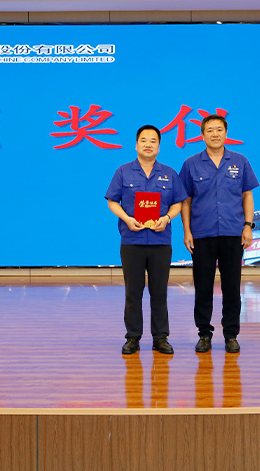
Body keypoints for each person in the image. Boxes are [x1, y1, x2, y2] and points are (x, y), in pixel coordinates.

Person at [179, 115, 259, 354]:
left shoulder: (240, 161)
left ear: (226, 133)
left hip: (232, 232)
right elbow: (186, 201)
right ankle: (204, 334)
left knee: (232, 287)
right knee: (203, 287)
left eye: (219, 130)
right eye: (210, 130)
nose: (215, 134)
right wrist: (187, 231)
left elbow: (247, 195)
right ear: (202, 135)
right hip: (202, 234)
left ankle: (231, 335)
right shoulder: (191, 164)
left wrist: (248, 226)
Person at [106, 125, 188, 355]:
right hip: (132, 240)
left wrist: (167, 218)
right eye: (144, 140)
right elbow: (112, 201)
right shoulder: (123, 171)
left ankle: (160, 338)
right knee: (133, 292)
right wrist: (127, 218)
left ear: (159, 146)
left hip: (160, 241)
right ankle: (133, 337)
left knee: (159, 292)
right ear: (136, 145)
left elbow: (178, 203)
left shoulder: (169, 173)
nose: (148, 144)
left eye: (153, 141)